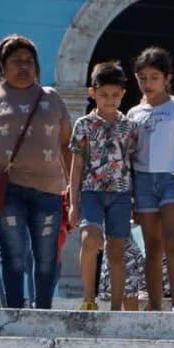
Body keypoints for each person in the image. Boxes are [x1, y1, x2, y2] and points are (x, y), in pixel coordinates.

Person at [0, 34, 72, 310]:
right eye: (16, 61)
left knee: (46, 258)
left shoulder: (52, 98)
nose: (24, 67)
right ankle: (12, 315)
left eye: (29, 62)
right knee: (12, 255)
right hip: (5, 191)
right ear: (2, 66)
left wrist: (72, 188)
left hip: (49, 192)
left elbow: (66, 144)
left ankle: (42, 312)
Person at [125, 47, 174, 311]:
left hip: (173, 178)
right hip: (144, 181)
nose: (148, 83)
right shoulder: (134, 113)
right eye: (143, 77)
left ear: (167, 78)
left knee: (173, 240)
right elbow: (130, 153)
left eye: (154, 77)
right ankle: (155, 305)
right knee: (152, 246)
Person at [67, 61, 138, 311]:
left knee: (117, 250)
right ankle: (89, 298)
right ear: (92, 93)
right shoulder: (84, 125)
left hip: (120, 194)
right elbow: (76, 166)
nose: (109, 100)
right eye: (103, 95)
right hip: (91, 192)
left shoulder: (130, 127)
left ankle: (116, 306)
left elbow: (134, 164)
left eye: (115, 95)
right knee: (90, 239)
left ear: (123, 94)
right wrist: (73, 203)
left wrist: (136, 201)